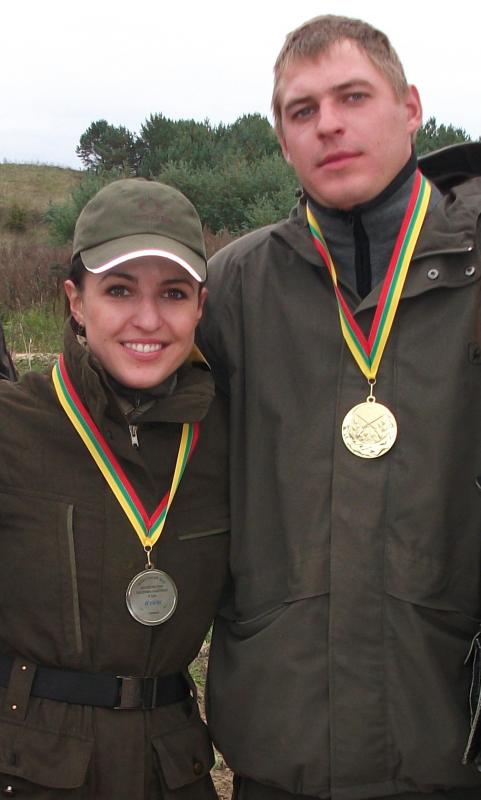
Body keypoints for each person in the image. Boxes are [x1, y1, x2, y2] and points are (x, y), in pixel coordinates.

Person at [197, 14, 481, 800]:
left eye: (352, 96)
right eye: (302, 110)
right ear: (283, 141)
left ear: (410, 108)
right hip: (283, 747)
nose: (327, 123)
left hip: (451, 742)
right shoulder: (230, 288)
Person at [0, 178, 229, 799]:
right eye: (119, 290)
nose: (147, 319)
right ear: (76, 301)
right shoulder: (13, 426)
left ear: (200, 306)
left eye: (173, 293)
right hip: (31, 770)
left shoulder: (227, 440)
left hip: (172, 770)